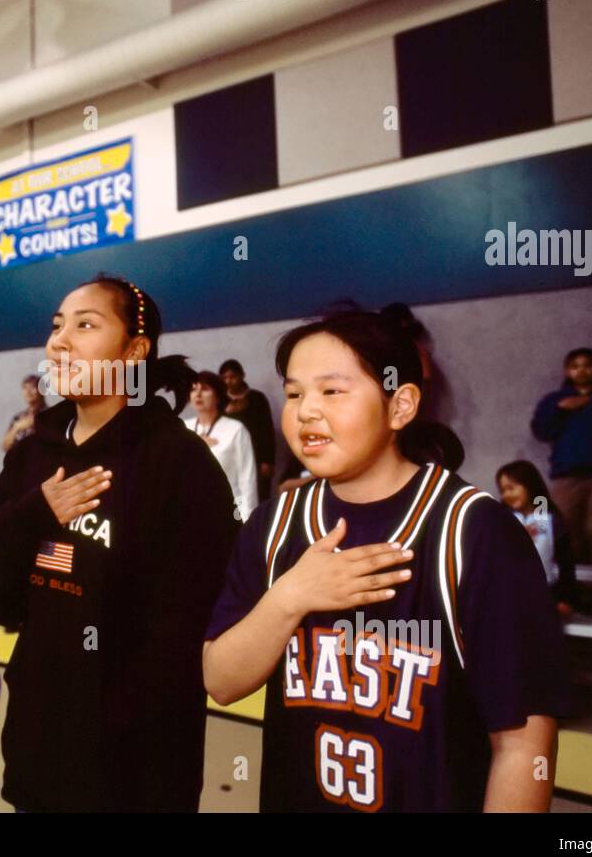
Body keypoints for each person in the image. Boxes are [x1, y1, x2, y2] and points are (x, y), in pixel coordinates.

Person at [203, 310, 570, 812]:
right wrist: (289, 597)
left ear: (400, 406)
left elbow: (525, 744)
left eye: (332, 391)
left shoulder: (475, 531)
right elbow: (221, 682)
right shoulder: (273, 524)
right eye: (293, 394)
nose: (306, 411)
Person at [0, 273, 239, 812]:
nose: (60, 341)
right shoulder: (30, 456)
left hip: (136, 774)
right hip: (39, 757)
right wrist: (33, 518)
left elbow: (182, 639)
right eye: (56, 327)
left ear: (135, 350)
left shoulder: (180, 464)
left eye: (85, 325)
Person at [530, 347, 592, 564]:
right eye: (575, 367)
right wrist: (561, 410)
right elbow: (541, 431)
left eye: (588, 365)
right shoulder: (555, 400)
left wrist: (588, 402)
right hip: (567, 473)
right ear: (567, 371)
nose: (582, 371)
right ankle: (572, 585)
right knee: (565, 526)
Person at [496, 460, 579, 615]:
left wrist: (566, 600)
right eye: (503, 490)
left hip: (546, 596)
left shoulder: (550, 519)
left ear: (530, 485)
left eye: (512, 488)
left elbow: (566, 562)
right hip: (509, 597)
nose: (507, 494)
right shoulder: (502, 519)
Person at [184, 370, 258, 521]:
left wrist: (247, 521)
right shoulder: (184, 428)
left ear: (218, 396)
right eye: (193, 389)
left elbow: (247, 480)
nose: (197, 394)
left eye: (204, 389)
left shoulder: (235, 429)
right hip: (190, 513)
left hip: (227, 512)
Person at [219, 359, 276, 502]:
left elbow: (267, 430)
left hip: (257, 455)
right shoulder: (220, 400)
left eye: (232, 377)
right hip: (232, 456)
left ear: (242, 375)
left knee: (260, 495)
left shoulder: (257, 398)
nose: (229, 381)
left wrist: (267, 460)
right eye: (224, 378)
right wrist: (226, 412)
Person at [0, 375, 47, 453]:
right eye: (25, 388)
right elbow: (5, 447)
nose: (28, 392)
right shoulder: (18, 418)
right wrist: (16, 428)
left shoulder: (51, 414)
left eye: (32, 387)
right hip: (20, 462)